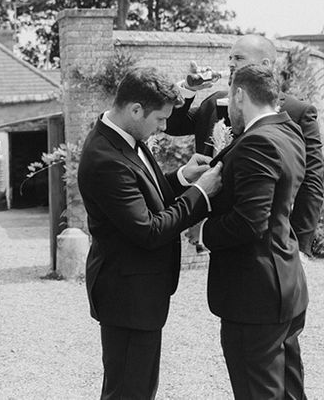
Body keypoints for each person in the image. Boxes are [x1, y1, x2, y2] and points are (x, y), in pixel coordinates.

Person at [78, 67, 223, 400]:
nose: (163, 128)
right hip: (126, 294)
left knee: (138, 388)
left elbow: (147, 198)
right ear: (135, 110)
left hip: (138, 291)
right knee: (128, 392)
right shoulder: (105, 158)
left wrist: (183, 177)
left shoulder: (124, 136)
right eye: (160, 120)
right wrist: (200, 193)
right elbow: (149, 229)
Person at [191, 64, 309, 399]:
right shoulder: (289, 132)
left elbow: (249, 221)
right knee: (288, 390)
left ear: (239, 95)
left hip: (253, 293)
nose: (229, 106)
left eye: (229, 96)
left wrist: (202, 232)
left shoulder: (258, 142)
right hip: (285, 282)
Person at [166, 34, 324, 256]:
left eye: (239, 58)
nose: (231, 63)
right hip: (217, 232)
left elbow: (312, 182)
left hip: (265, 240)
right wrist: (188, 89)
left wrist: (301, 248)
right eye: (230, 57)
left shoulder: (298, 112)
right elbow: (171, 124)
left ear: (265, 64)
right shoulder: (214, 102)